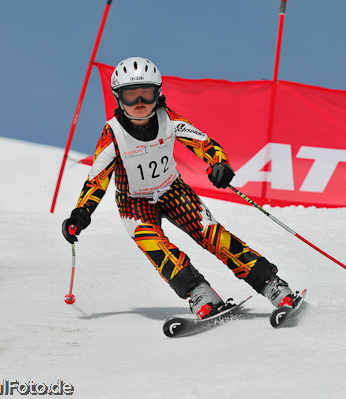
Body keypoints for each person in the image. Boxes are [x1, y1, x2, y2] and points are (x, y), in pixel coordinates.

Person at [62, 57, 298, 319]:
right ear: (118, 98)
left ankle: (271, 284)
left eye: (146, 94)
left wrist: (219, 164)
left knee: (214, 237)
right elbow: (97, 181)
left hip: (173, 191)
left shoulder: (168, 119)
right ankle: (199, 293)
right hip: (134, 203)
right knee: (156, 247)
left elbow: (205, 144)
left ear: (158, 94)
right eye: (131, 96)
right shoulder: (113, 135)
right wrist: (80, 215)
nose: (139, 103)